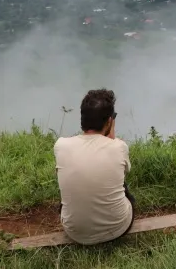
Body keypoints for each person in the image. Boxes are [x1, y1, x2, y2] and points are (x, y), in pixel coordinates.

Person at [54, 88, 136, 245]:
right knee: (122, 185)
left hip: (74, 232)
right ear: (110, 121)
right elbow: (124, 172)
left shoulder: (61, 145)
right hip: (117, 228)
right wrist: (111, 135)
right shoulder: (119, 147)